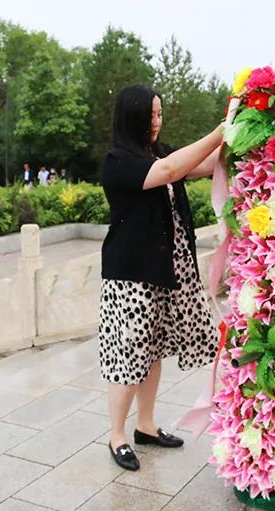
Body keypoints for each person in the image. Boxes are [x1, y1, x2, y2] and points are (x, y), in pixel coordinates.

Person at [98, 84, 222, 471]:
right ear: (131, 117)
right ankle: (117, 435)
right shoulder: (118, 160)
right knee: (129, 356)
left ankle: (146, 426)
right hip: (130, 275)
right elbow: (170, 171)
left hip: (162, 270)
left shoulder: (159, 152)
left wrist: (241, 134)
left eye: (159, 113)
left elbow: (202, 164)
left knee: (152, 351)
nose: (156, 121)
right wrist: (219, 132)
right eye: (150, 114)